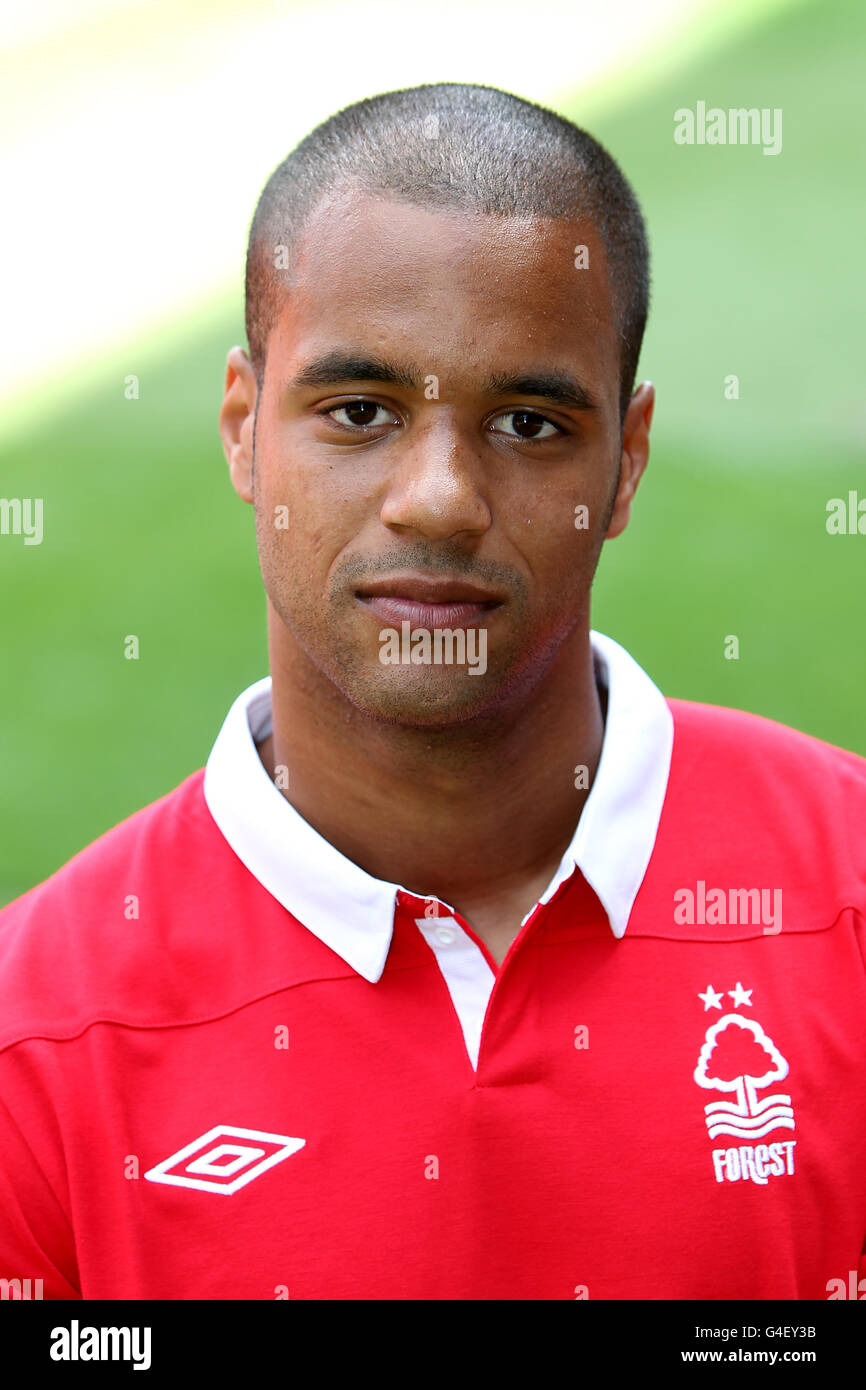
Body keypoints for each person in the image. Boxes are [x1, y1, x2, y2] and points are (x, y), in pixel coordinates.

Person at [0, 83, 863, 1302]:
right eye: (359, 411)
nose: (440, 497)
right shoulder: (34, 1039)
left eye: (525, 421)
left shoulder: (846, 893)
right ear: (244, 430)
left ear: (625, 463)